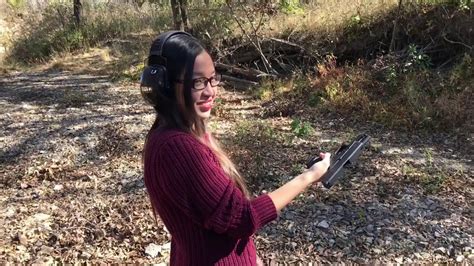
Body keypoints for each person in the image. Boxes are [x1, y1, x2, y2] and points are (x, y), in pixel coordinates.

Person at [141, 31, 331, 265]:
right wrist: (309, 176)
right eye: (197, 81)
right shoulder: (178, 147)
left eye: (213, 79)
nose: (210, 91)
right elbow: (242, 217)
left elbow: (215, 222)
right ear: (166, 86)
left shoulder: (185, 134)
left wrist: (252, 258)